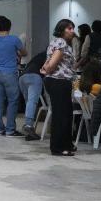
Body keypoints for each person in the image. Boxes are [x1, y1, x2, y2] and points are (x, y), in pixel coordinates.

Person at [41, 18, 77, 156]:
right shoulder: (61, 42)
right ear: (62, 30)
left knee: (67, 114)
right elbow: (52, 64)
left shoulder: (60, 43)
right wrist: (48, 69)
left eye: (73, 28)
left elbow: (47, 64)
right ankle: (57, 147)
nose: (72, 31)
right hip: (58, 81)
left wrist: (46, 68)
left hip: (61, 81)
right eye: (69, 28)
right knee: (61, 115)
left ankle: (67, 144)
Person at [19, 50, 47, 141]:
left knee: (29, 103)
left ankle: (28, 126)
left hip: (23, 77)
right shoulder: (50, 55)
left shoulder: (39, 55)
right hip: (35, 76)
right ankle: (29, 126)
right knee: (32, 102)